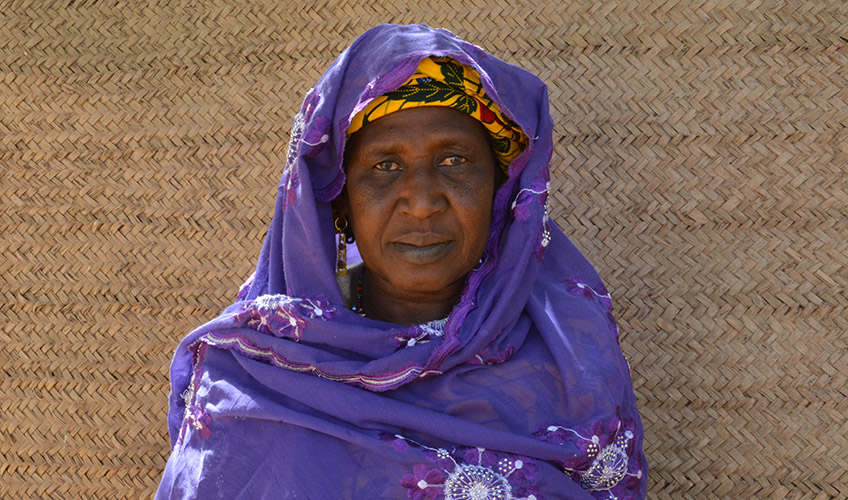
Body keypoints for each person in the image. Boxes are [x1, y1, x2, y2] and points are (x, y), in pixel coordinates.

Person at [156, 24, 647, 500]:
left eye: (454, 160)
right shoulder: (252, 377)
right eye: (385, 167)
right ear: (340, 202)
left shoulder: (573, 364)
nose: (421, 201)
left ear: (501, 196)